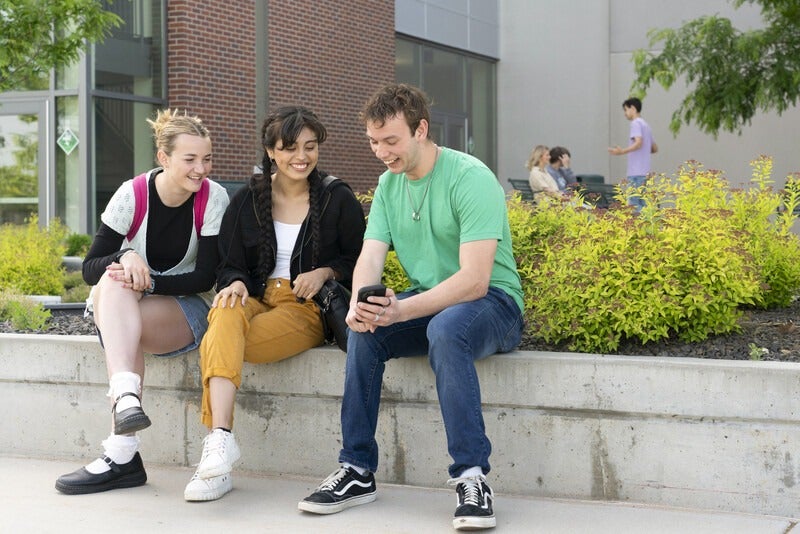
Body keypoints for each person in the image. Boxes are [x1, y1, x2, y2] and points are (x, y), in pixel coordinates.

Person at [298, 84, 524, 531]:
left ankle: (471, 477)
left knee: (446, 330)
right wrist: (362, 304)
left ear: (421, 129)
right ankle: (357, 470)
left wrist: (402, 310)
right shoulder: (387, 185)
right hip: (432, 303)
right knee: (366, 331)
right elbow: (370, 256)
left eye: (391, 140)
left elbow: (476, 280)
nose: (381, 152)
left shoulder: (469, 177)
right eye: (373, 141)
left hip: (492, 304)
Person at [183, 106, 365, 502]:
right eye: (290, 148)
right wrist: (232, 283)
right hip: (254, 296)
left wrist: (325, 273)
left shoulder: (337, 198)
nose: (301, 156)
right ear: (271, 152)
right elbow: (230, 263)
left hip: (303, 306)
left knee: (221, 340)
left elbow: (359, 259)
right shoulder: (249, 198)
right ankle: (220, 443)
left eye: (310, 147)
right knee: (226, 312)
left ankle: (215, 464)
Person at [55, 109, 230, 494]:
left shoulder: (212, 199)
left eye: (206, 158)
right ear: (163, 158)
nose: (200, 169)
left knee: (119, 290)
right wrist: (124, 257)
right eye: (190, 159)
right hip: (123, 309)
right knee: (113, 279)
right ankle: (127, 403)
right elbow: (89, 268)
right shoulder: (132, 194)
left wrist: (145, 283)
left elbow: (205, 277)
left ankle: (121, 451)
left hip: (186, 312)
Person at [608, 97, 658, 211]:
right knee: (643, 203)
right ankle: (647, 227)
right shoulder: (646, 125)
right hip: (645, 172)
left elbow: (638, 142)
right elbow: (654, 148)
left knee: (634, 204)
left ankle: (638, 228)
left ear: (633, 109)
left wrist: (622, 152)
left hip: (636, 171)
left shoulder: (635, 123)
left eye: (626, 110)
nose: (625, 114)